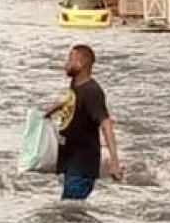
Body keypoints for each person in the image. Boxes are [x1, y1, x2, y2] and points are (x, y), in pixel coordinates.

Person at [46, 45, 123, 200]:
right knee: (69, 213)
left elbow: (106, 124)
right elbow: (71, 99)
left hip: (82, 164)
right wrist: (51, 111)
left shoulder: (92, 92)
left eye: (70, 60)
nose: (66, 65)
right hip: (71, 160)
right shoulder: (76, 83)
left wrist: (115, 161)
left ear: (82, 64)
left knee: (70, 213)